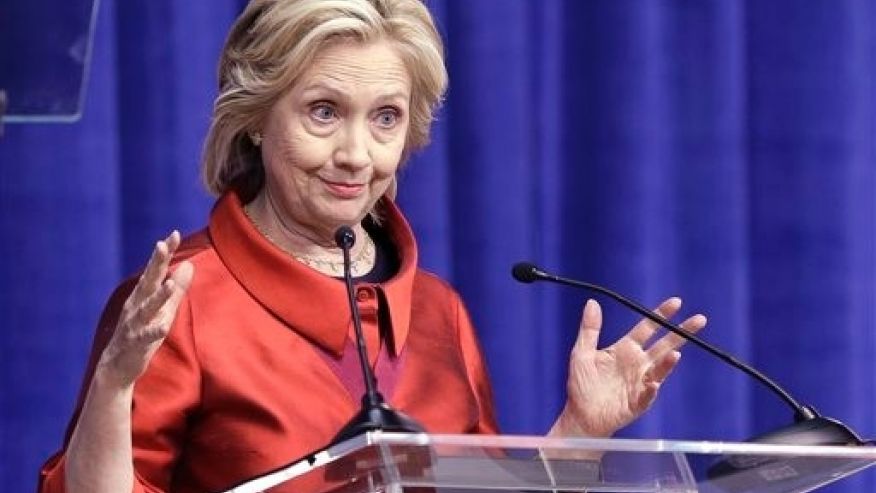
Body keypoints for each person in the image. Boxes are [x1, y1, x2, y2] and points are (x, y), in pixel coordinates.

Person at [38, 0, 707, 492]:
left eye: (384, 117)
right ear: (254, 119)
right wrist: (116, 384)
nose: (355, 155)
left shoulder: (441, 311)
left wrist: (579, 433)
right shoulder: (177, 303)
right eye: (323, 111)